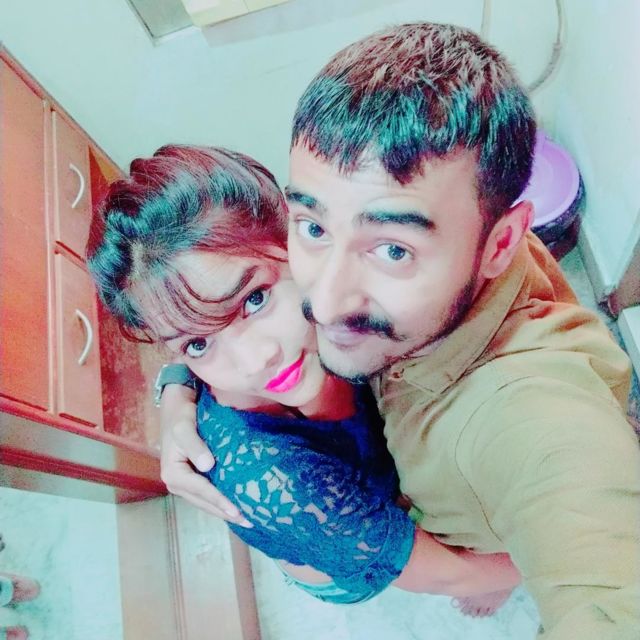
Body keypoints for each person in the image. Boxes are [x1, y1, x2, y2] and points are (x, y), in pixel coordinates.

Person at [160, 23, 640, 638]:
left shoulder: (532, 412)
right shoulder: (450, 248)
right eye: (313, 227)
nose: (325, 303)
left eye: (392, 250)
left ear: (500, 244)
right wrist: (177, 392)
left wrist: (500, 572)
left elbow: (605, 577)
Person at [86, 143, 521, 610]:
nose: (255, 361)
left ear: (299, 235)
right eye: (197, 345)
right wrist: (541, 560)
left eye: (254, 299)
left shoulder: (344, 285)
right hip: (339, 550)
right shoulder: (273, 478)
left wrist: (178, 383)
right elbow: (446, 573)